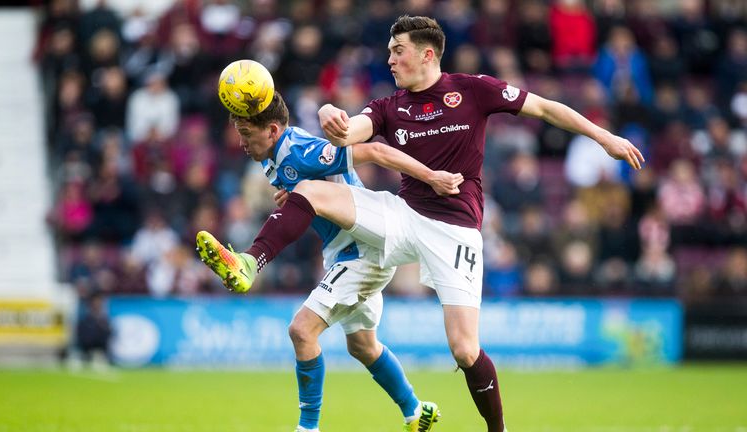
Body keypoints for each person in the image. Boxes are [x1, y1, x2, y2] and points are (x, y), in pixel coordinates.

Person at [205, 16, 645, 432]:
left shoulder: (473, 90)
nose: (391, 59)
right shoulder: (388, 106)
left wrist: (606, 138)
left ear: (428, 54)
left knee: (465, 349)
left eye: (398, 51)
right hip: (400, 215)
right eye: (390, 52)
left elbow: (546, 109)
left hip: (455, 229)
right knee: (309, 193)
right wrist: (329, 114)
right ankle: (249, 263)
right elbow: (352, 135)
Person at [197, 91, 459, 432]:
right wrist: (295, 191)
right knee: (363, 346)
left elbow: (376, 151)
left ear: (273, 130)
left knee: (301, 331)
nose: (242, 143)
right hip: (346, 250)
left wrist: (431, 176)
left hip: (363, 248)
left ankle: (308, 428)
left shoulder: (301, 150)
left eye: (247, 135)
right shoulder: (271, 159)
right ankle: (415, 410)